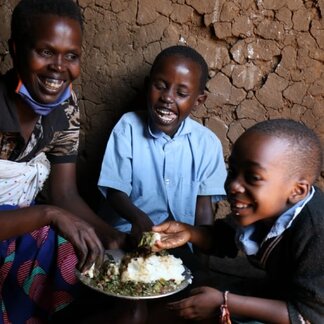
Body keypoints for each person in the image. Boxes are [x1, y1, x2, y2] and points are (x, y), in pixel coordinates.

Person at [0, 0, 126, 322]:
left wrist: (107, 234)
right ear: (16, 50)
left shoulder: (64, 107)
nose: (60, 67)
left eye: (71, 56)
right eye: (45, 52)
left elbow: (64, 194)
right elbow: (53, 207)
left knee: (81, 254)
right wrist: (49, 214)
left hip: (22, 226)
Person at [152, 119, 324, 323]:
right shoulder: (267, 209)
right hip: (284, 290)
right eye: (233, 171)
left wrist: (224, 302)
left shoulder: (316, 230)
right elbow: (225, 239)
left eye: (252, 177)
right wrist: (188, 232)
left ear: (297, 191)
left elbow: (310, 316)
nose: (233, 186)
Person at [98, 45, 227, 243]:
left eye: (181, 94)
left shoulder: (207, 143)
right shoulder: (128, 127)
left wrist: (202, 257)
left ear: (198, 101)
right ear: (147, 85)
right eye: (160, 86)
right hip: (129, 234)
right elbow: (116, 191)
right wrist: (139, 219)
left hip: (179, 243)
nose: (167, 97)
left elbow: (203, 208)